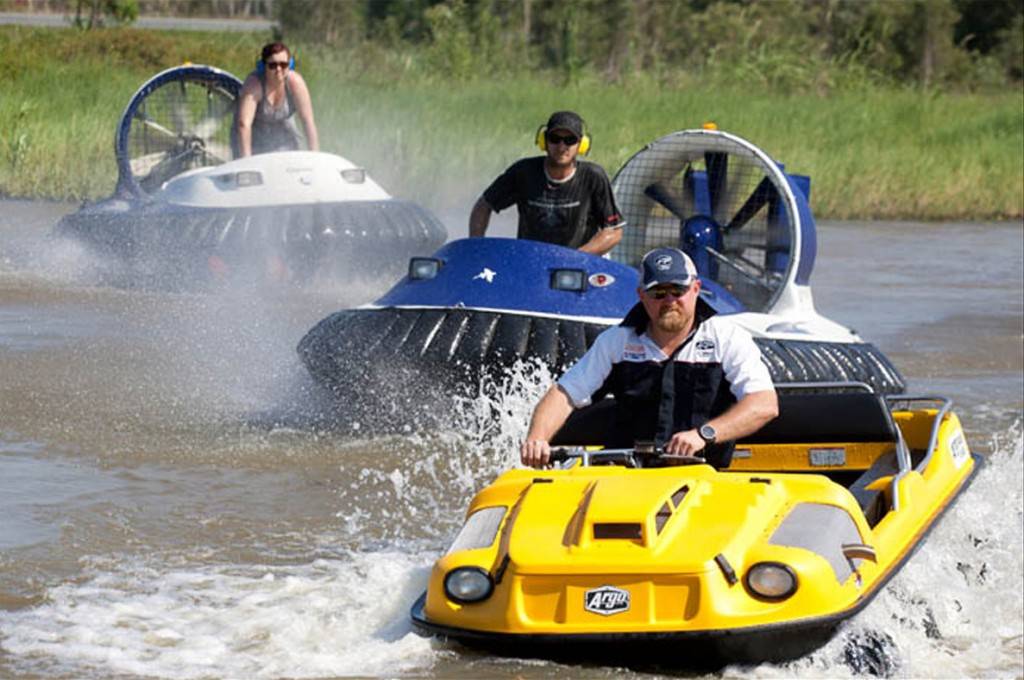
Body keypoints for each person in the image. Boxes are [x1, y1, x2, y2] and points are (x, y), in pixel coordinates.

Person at [520, 247, 779, 469]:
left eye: (677, 290)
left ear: (696, 289)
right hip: (625, 474)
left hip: (704, 477)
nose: (669, 301)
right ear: (642, 295)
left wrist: (704, 435)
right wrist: (537, 438)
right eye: (658, 293)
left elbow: (764, 404)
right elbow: (563, 393)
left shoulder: (727, 338)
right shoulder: (616, 342)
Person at [469, 110, 624, 256]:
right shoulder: (523, 172)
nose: (562, 147)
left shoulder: (593, 177)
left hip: (577, 265)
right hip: (530, 260)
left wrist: (578, 256)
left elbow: (614, 231)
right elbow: (484, 205)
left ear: (581, 145)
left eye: (569, 140)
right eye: (555, 139)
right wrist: (476, 247)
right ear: (544, 141)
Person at [236, 42, 319, 157]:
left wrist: (314, 155)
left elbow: (307, 121)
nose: (278, 69)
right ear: (263, 66)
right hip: (253, 142)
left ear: (290, 65)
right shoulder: (254, 86)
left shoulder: (295, 83)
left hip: (285, 139)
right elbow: (243, 124)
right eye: (272, 65)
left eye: (283, 65)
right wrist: (246, 161)